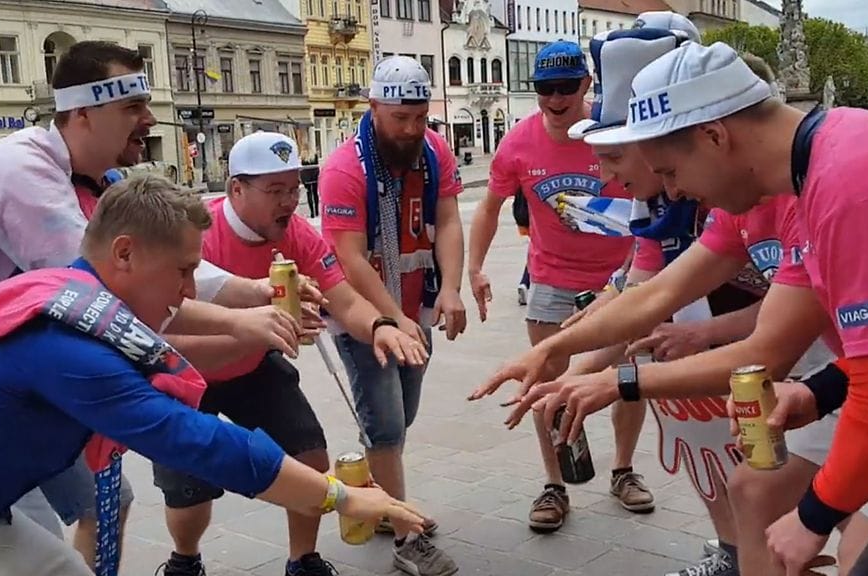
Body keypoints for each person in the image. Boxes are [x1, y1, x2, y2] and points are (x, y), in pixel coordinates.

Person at [477, 41, 868, 575]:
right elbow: (659, 293)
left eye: (670, 171)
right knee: (757, 492)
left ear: (714, 136)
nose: (674, 191)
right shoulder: (817, 171)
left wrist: (816, 516)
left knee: (860, 557)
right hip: (867, 389)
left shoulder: (850, 187)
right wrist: (557, 348)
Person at [0, 40, 301, 570]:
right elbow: (106, 300)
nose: (149, 120)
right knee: (12, 538)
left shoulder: (97, 180)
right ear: (82, 112)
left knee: (106, 503)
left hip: (7, 367)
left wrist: (259, 293)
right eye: (132, 107)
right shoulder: (23, 168)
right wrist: (247, 323)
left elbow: (169, 262)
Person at [0, 174, 427, 576]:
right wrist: (341, 497)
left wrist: (251, 313)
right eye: (184, 270)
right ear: (124, 253)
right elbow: (194, 439)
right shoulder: (71, 347)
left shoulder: (72, 296)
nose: (190, 289)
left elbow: (178, 323)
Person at [154, 132, 429, 576]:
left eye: (295, 189)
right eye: (275, 191)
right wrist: (262, 332)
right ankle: (185, 559)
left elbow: (342, 298)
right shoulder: (194, 237)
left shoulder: (297, 234)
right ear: (236, 189)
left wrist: (379, 326)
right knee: (189, 491)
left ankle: (303, 560)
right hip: (187, 374)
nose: (289, 202)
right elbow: (167, 345)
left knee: (310, 458)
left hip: (255, 366)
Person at [467, 39, 650, 533]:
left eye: (565, 89)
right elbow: (489, 206)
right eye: (544, 90)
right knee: (544, 381)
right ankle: (555, 485)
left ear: (587, 85)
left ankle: (623, 470)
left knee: (629, 379)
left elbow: (650, 194)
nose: (553, 100)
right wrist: (476, 267)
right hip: (550, 278)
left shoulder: (610, 131)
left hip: (619, 278)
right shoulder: (519, 142)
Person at [317, 55, 466, 576]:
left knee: (403, 414)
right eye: (400, 118)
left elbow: (447, 220)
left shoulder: (434, 152)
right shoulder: (343, 169)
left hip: (415, 304)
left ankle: (377, 499)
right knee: (385, 426)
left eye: (420, 117)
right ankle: (408, 539)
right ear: (374, 107)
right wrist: (388, 319)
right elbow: (349, 256)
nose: (411, 129)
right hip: (361, 316)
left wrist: (450, 289)